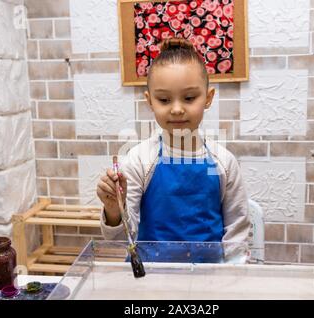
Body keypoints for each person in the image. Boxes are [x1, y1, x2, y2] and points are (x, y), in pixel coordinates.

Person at [96, 38, 250, 263]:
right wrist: (113, 209)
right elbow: (120, 239)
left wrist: (230, 279)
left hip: (210, 278)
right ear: (150, 102)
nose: (177, 109)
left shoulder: (223, 162)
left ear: (208, 98)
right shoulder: (139, 160)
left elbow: (237, 232)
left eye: (189, 98)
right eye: (164, 99)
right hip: (149, 280)